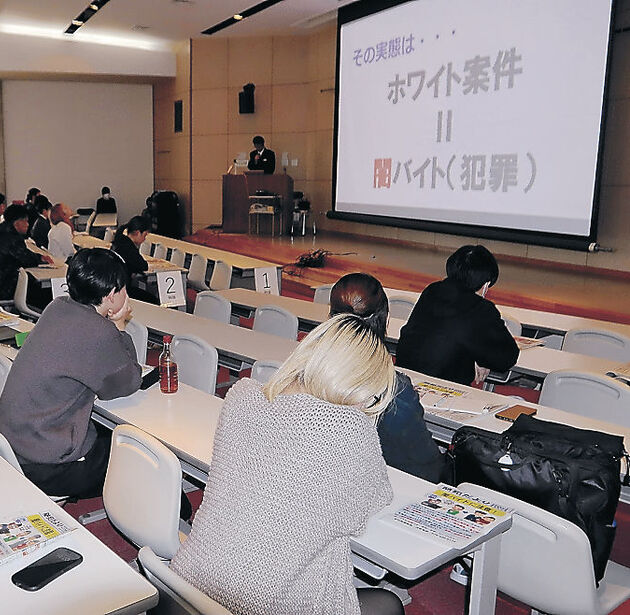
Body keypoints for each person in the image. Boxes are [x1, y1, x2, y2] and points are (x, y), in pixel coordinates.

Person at [169, 314, 404, 615]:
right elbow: (368, 506)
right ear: (357, 383)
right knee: (389, 604)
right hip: (257, 604)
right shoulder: (349, 429)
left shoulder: (242, 396)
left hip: (188, 583)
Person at [0, 248, 141, 498]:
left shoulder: (57, 307)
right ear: (112, 294)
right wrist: (119, 325)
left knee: (107, 433)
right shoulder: (99, 331)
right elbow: (127, 381)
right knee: (137, 458)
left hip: (12, 443)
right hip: (47, 463)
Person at [329, 272, 450, 483]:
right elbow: (426, 467)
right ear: (385, 319)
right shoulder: (393, 389)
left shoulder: (304, 371)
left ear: (331, 317)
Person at [395, 245, 519, 385]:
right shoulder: (481, 308)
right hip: (444, 389)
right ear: (485, 285)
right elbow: (507, 358)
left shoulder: (432, 291)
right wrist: (481, 360)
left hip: (403, 380)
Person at [0, 203, 49, 301]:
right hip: (3, 289)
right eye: (25, 221)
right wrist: (40, 258)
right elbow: (27, 259)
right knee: (45, 290)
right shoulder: (12, 239)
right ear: (16, 223)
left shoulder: (0, 234)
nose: (28, 225)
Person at [110, 215, 157, 304]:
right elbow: (143, 265)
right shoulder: (128, 247)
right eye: (145, 235)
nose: (144, 239)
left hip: (115, 286)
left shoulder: (120, 240)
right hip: (122, 290)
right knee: (154, 300)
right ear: (138, 232)